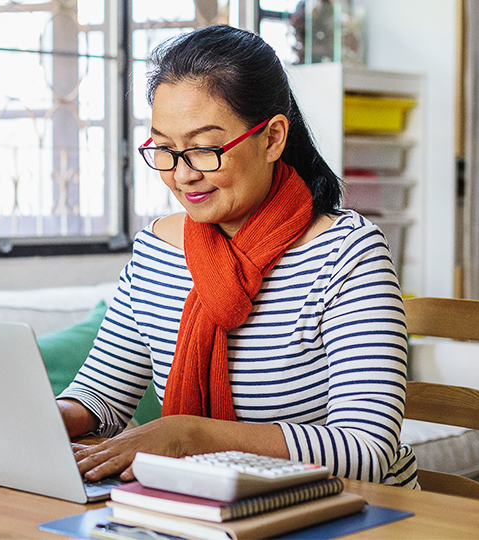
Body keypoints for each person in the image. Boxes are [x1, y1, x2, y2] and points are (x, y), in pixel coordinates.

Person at [56, 25, 418, 489]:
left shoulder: (346, 253)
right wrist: (39, 419)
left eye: (205, 149)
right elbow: (100, 396)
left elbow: (365, 450)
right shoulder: (156, 252)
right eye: (165, 150)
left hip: (349, 512)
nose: (183, 175)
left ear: (272, 138)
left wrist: (190, 435)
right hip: (208, 504)